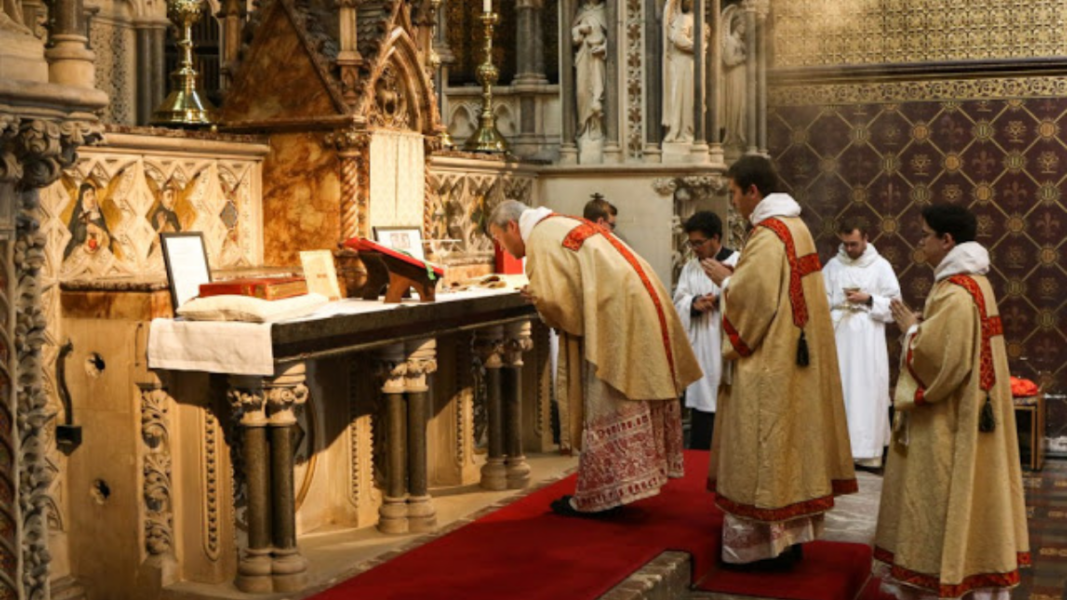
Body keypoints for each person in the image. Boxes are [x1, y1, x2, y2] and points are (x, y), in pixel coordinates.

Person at [488, 199, 701, 517]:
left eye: (498, 239)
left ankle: (604, 497)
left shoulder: (541, 239)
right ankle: (623, 486)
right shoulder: (560, 223)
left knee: (607, 401)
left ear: (512, 227)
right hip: (633, 310)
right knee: (622, 398)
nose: (501, 247)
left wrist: (539, 299)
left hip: (617, 321)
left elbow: (562, 307)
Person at [702, 155, 855, 568]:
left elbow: (754, 300)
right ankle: (788, 540)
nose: (733, 202)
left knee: (765, 450)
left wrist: (726, 282)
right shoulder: (796, 227)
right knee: (790, 451)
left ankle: (764, 549)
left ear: (753, 191)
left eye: (734, 193)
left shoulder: (770, 234)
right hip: (794, 358)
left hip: (769, 363)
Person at [875, 204, 1029, 599]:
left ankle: (945, 576)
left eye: (926, 235)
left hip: (950, 421)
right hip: (973, 413)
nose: (920, 242)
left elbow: (942, 364)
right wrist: (923, 329)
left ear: (947, 240)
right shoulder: (976, 285)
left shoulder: (957, 292)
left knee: (944, 498)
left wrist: (911, 331)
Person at [822, 217, 901, 469]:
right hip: (839, 337)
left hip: (867, 340)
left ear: (866, 239)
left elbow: (895, 305)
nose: (849, 249)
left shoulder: (880, 266)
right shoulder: (833, 266)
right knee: (841, 389)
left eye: (854, 244)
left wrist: (868, 299)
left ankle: (868, 453)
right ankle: (838, 451)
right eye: (845, 244)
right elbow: (820, 298)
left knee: (866, 391)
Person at [672, 211, 737, 450]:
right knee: (702, 405)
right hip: (701, 343)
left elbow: (751, 300)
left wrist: (723, 299)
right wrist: (694, 304)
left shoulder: (738, 261)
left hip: (727, 345)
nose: (695, 248)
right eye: (692, 243)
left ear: (716, 237)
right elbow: (678, 302)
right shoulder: (690, 268)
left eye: (699, 243)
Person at [572, 0, 607, 146]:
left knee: (598, 92)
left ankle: (598, 128)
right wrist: (579, 30)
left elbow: (617, 35)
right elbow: (574, 40)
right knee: (582, 92)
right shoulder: (581, 11)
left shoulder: (604, 11)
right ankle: (584, 126)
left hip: (598, 58)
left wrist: (604, 47)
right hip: (583, 57)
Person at [662, 0, 695, 143]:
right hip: (678, 62)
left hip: (689, 63)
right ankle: (675, 130)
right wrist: (696, 45)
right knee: (677, 97)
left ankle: (686, 131)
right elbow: (677, 39)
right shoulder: (680, 18)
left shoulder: (693, 19)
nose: (689, 2)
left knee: (688, 98)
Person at [64, 182, 113, 259]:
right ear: (82, 199)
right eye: (87, 195)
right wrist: (86, 228)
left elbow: (107, 237)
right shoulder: (79, 215)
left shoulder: (98, 214)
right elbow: (77, 235)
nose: (92, 198)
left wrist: (101, 233)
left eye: (92, 194)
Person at [722, 13, 747, 148]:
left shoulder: (741, 43)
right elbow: (727, 60)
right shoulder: (731, 41)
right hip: (734, 75)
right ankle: (732, 135)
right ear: (736, 25)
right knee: (735, 104)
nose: (744, 28)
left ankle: (740, 133)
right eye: (742, 25)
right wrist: (742, 59)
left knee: (742, 105)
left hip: (741, 75)